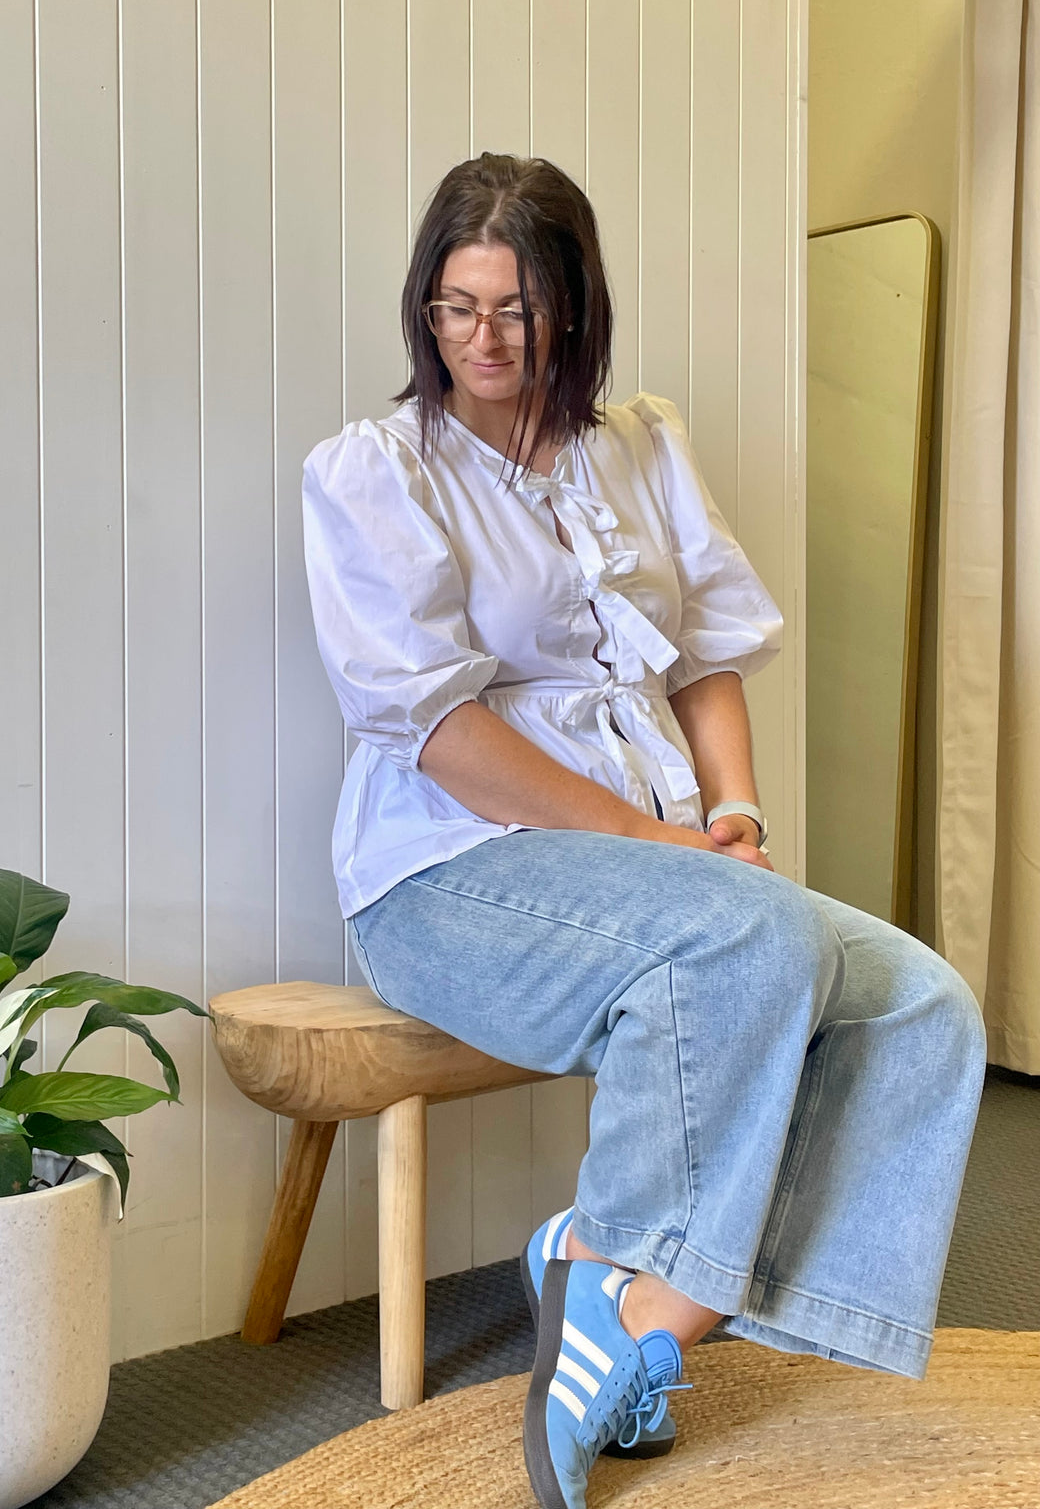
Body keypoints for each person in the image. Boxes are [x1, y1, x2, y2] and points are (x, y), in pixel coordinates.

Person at [301, 153, 986, 1509]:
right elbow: (438, 731)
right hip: (450, 879)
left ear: (576, 311)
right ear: (420, 307)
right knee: (743, 942)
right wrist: (643, 840)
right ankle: (622, 1280)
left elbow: (704, 655)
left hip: (663, 868)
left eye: (517, 311)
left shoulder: (640, 445)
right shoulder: (373, 473)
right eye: (455, 307)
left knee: (923, 1003)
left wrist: (728, 812)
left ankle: (639, 1303)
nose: (484, 342)